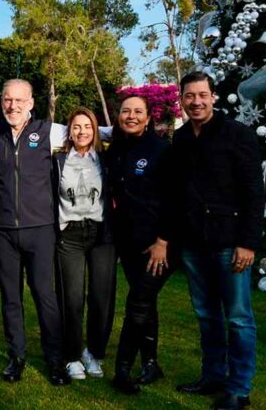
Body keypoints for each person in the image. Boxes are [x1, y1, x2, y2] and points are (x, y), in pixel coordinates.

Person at [0, 79, 112, 385]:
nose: (13, 106)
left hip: (41, 230)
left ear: (31, 103)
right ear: (1, 101)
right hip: (4, 232)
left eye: (19, 100)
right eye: (7, 99)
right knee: (11, 298)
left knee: (45, 296)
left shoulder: (48, 130)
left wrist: (125, 131)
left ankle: (55, 360)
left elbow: (88, 131)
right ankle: (16, 357)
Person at [165, 72, 264, 410]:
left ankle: (239, 388)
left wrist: (248, 242)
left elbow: (254, 193)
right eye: (189, 96)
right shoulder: (181, 139)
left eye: (202, 95)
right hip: (193, 244)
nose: (196, 102)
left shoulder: (237, 134)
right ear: (182, 99)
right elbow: (177, 193)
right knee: (207, 316)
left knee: (238, 318)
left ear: (213, 97)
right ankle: (213, 376)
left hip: (230, 243)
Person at [104, 95, 173, 394]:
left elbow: (174, 200)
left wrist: (163, 241)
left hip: (159, 245)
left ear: (148, 117)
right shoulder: (116, 150)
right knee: (146, 303)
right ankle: (151, 363)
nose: (131, 116)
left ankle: (122, 370)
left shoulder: (161, 149)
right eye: (125, 111)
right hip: (129, 243)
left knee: (137, 303)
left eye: (137, 111)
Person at [54, 108, 115, 381]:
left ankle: (94, 352)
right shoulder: (57, 160)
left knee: (101, 297)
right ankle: (72, 355)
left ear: (95, 130)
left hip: (100, 234)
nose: (82, 132)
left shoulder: (105, 158)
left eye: (87, 126)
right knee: (72, 298)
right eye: (76, 127)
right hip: (69, 234)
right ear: (69, 131)